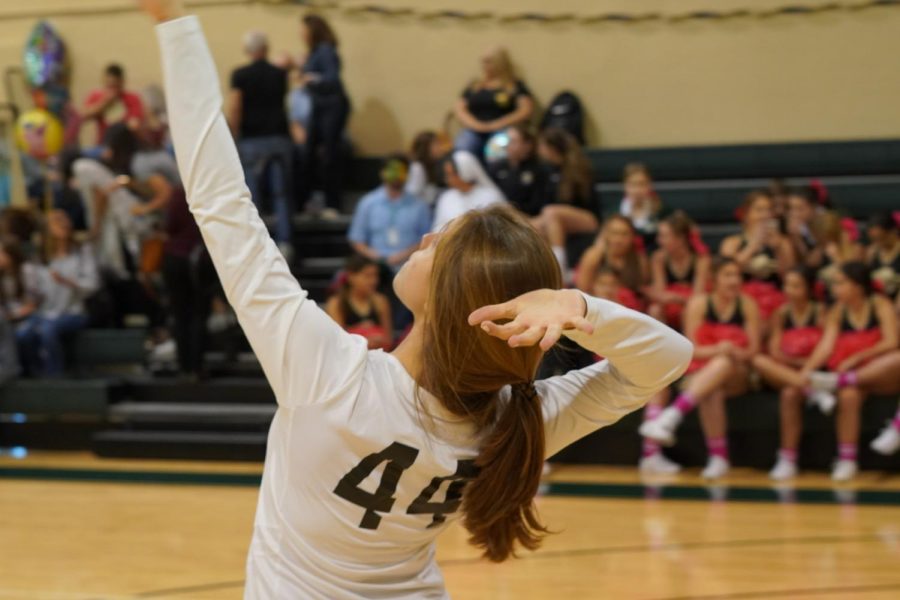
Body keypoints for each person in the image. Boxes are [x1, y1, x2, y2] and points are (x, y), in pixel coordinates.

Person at [147, 6, 692, 597]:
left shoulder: (331, 374)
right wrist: (579, 309)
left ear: (449, 297)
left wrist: (174, 23)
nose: (427, 237)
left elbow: (219, 198)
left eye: (442, 244)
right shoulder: (519, 418)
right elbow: (668, 358)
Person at [640, 258, 761, 480]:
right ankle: (719, 457)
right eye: (728, 275)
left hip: (740, 372)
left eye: (737, 275)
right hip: (704, 372)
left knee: (724, 363)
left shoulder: (747, 304)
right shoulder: (699, 304)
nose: (734, 280)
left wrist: (733, 352)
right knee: (711, 390)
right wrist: (719, 349)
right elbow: (691, 350)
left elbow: (753, 351)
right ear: (714, 279)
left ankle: (673, 415)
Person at [790, 262, 900, 480]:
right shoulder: (838, 311)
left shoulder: (879, 304)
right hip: (856, 377)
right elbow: (825, 347)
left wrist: (858, 356)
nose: (835, 288)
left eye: (841, 283)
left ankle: (837, 381)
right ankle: (847, 459)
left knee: (896, 359)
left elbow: (892, 341)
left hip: (882, 372)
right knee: (848, 397)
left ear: (858, 286)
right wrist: (807, 371)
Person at [750, 267, 825, 480]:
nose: (789, 290)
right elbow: (774, 351)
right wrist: (793, 365)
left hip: (813, 371)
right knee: (759, 360)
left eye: (796, 286)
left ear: (808, 289)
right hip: (786, 372)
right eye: (787, 285)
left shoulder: (820, 311)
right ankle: (811, 391)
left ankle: (787, 459)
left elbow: (825, 351)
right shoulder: (781, 313)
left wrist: (803, 365)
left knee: (790, 394)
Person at [228, 30, 294, 256]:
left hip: (252, 140)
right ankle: (285, 242)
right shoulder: (279, 74)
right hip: (278, 138)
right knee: (281, 193)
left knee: (252, 194)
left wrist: (233, 135)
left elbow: (236, 107)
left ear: (248, 50)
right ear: (266, 49)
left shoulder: (240, 75)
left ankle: (258, 244)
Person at [16, 211, 100, 377]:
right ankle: (34, 373)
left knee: (48, 330)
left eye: (66, 219)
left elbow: (93, 284)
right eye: (57, 221)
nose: (64, 224)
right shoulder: (38, 258)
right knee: (22, 333)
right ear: (47, 229)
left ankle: (55, 376)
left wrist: (68, 282)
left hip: (74, 311)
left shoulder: (82, 251)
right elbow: (33, 292)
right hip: (44, 312)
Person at [299, 13, 351, 212]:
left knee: (329, 155)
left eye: (303, 30)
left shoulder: (326, 50)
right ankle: (312, 200)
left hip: (332, 107)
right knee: (310, 154)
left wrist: (311, 79)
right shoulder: (315, 52)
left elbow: (331, 79)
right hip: (321, 107)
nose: (301, 34)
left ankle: (332, 203)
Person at [530, 128, 600, 275]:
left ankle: (560, 266)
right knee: (527, 225)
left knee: (551, 212)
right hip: (556, 218)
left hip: (588, 218)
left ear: (552, 148)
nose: (539, 150)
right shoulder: (547, 171)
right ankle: (539, 269)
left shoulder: (578, 168)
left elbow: (585, 202)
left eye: (542, 146)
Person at [348, 155, 432, 271]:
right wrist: (375, 256)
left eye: (401, 171)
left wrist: (404, 255)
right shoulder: (367, 203)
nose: (396, 175)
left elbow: (426, 240)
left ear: (407, 174)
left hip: (410, 266)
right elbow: (357, 239)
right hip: (375, 268)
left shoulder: (420, 206)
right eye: (392, 170)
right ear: (382, 172)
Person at [720, 191, 795, 321]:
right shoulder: (732, 242)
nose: (764, 215)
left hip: (775, 301)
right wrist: (753, 245)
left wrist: (778, 248)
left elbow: (788, 276)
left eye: (768, 210)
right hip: (741, 299)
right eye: (759, 210)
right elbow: (727, 271)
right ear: (747, 214)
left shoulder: (783, 242)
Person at [453, 47, 534, 158]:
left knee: (497, 151)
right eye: (483, 62)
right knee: (463, 148)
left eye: (488, 61)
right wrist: (477, 125)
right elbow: (460, 108)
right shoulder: (475, 85)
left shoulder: (513, 85)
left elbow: (525, 110)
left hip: (502, 129)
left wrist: (496, 124)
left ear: (500, 62)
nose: (484, 65)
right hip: (474, 130)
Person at [646, 211, 711, 328]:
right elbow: (660, 292)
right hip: (671, 303)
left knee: (690, 310)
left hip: (691, 303)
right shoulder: (659, 258)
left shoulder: (700, 259)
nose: (659, 241)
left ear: (680, 238)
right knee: (654, 310)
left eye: (664, 236)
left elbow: (698, 296)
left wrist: (677, 298)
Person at [575, 215, 649, 306]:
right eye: (614, 233)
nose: (619, 239)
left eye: (624, 234)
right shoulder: (593, 256)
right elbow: (582, 291)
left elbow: (642, 293)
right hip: (598, 305)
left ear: (632, 236)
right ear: (606, 234)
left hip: (629, 308)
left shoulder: (639, 260)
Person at [325, 254, 392, 350]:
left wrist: (376, 340)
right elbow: (337, 341)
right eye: (367, 276)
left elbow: (388, 340)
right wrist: (361, 332)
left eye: (375, 275)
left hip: (377, 355)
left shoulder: (380, 301)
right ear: (351, 276)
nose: (374, 281)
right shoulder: (336, 303)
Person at [431, 151, 506, 232]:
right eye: (447, 175)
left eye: (452, 174)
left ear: (465, 171)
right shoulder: (446, 198)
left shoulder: (491, 197)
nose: (448, 180)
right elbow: (437, 229)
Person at [81, 63, 146, 148]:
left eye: (115, 86)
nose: (112, 90)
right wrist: (104, 103)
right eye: (109, 86)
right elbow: (82, 117)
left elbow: (135, 126)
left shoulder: (133, 98)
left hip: (125, 148)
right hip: (102, 146)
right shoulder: (97, 96)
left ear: (122, 82)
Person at [487, 124, 544, 217]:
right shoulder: (496, 167)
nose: (508, 145)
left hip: (527, 218)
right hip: (497, 216)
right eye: (507, 141)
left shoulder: (539, 170)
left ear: (527, 145)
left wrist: (514, 211)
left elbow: (538, 204)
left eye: (513, 142)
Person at [812, 211, 865, 299]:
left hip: (850, 294)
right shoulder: (825, 247)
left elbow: (852, 276)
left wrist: (836, 257)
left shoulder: (856, 248)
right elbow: (811, 264)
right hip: (830, 294)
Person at [619, 163, 661, 249]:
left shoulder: (662, 211)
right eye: (632, 184)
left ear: (650, 185)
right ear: (625, 186)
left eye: (642, 184)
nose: (637, 190)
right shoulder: (613, 212)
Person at [405, 130, 447, 206]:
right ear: (426, 148)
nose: (440, 148)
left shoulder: (434, 164)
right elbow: (412, 194)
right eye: (436, 144)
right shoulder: (417, 167)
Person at [866, 212, 899, 300]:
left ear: (893, 232)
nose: (877, 242)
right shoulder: (874, 252)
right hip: (880, 300)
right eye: (873, 239)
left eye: (880, 238)